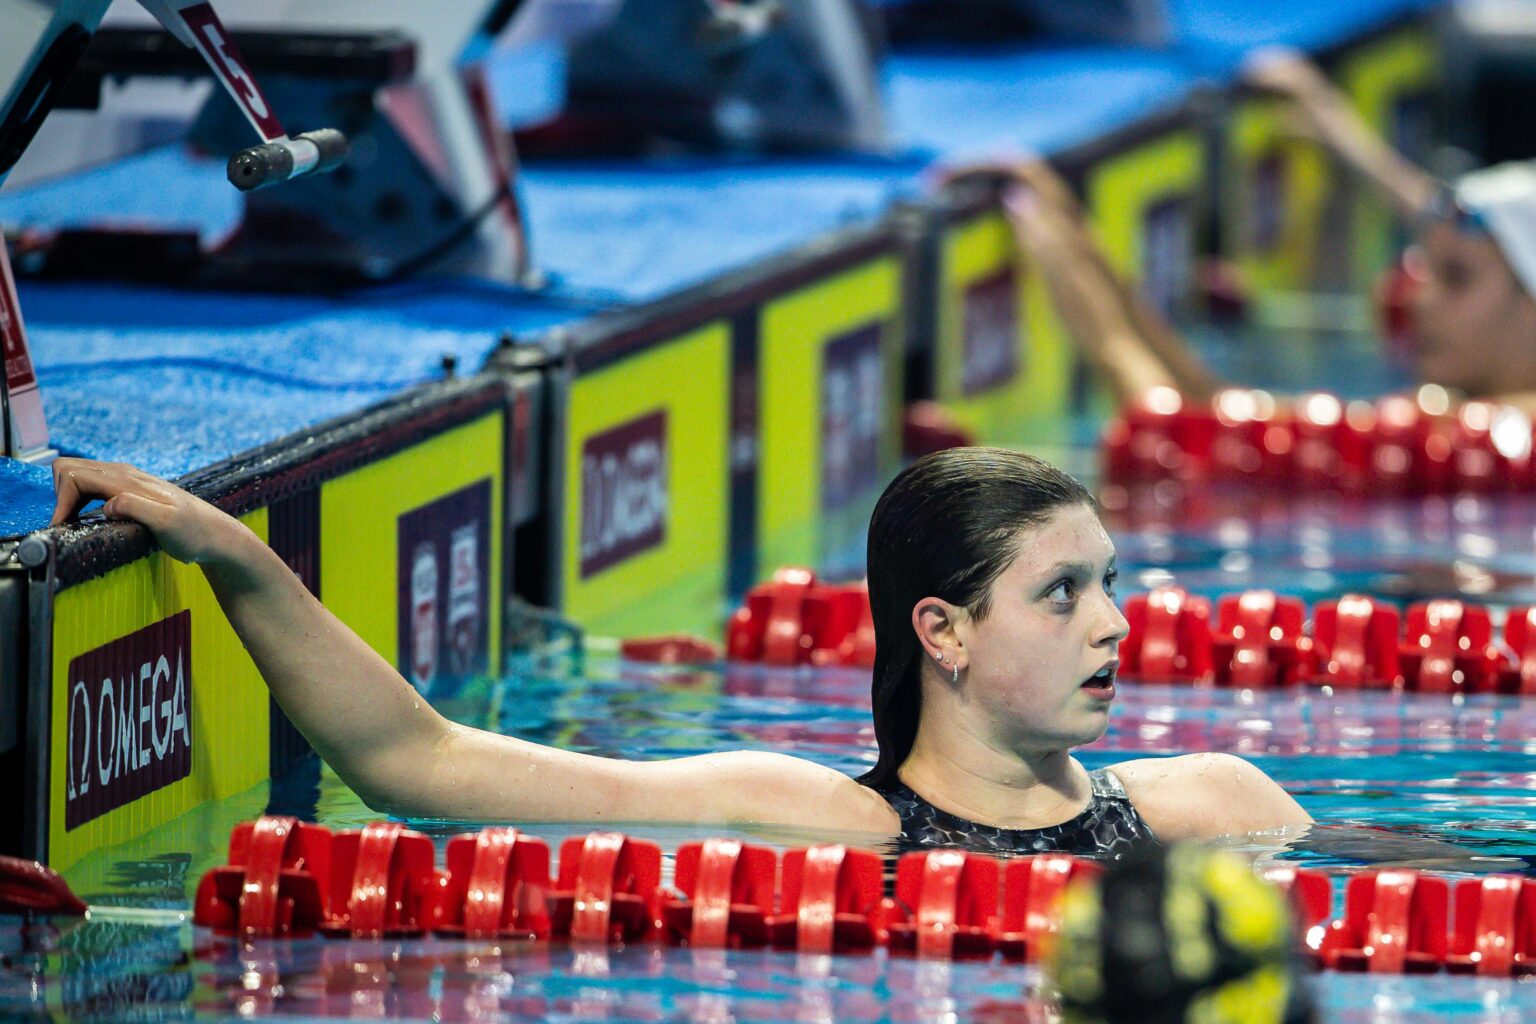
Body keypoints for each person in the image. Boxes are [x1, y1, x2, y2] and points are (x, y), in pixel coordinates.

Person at [48, 449, 1311, 856]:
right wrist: (235, 554)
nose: (1116, 623)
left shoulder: (1216, 805)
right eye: (1063, 593)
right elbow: (412, 762)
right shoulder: (821, 823)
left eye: (1114, 584)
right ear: (944, 632)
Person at [983, 51, 1536, 415]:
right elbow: (1220, 411)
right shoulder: (1447, 413)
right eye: (1426, 270)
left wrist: (1093, 318)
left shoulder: (1498, 433)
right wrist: (1082, 245)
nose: (1417, 298)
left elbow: (1173, 432)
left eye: (1456, 279)